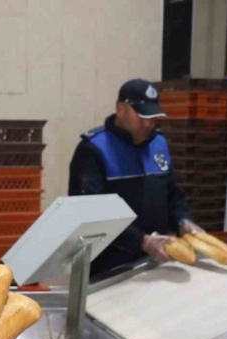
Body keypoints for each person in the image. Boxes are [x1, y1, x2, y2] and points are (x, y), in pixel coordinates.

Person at [68, 78, 204, 277]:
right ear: (121, 109)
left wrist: (183, 221)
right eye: (143, 116)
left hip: (156, 263)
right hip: (110, 269)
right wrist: (142, 240)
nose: (149, 123)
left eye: (153, 117)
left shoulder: (159, 144)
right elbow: (90, 215)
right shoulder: (94, 150)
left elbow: (173, 194)